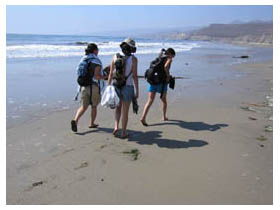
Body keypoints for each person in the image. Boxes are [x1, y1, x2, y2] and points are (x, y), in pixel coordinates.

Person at [71, 43, 107, 132]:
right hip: (93, 86)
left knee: (83, 106)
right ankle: (92, 123)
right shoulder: (96, 61)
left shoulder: (83, 59)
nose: (98, 51)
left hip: (83, 86)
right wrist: (105, 77)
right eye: (97, 49)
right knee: (94, 106)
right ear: (94, 50)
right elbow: (97, 76)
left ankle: (75, 121)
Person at [107, 38, 139, 139]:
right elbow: (134, 76)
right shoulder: (133, 59)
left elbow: (111, 73)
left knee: (118, 108)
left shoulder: (115, 57)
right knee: (125, 111)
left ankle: (116, 127)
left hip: (116, 85)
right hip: (128, 86)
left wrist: (108, 87)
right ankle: (124, 132)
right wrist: (137, 90)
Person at [140, 48, 176, 126]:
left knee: (150, 101)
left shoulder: (159, 57)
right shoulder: (168, 59)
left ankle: (143, 117)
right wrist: (167, 75)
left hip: (152, 81)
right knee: (164, 101)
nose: (172, 58)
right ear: (170, 54)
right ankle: (164, 117)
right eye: (173, 56)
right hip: (162, 83)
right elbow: (166, 66)